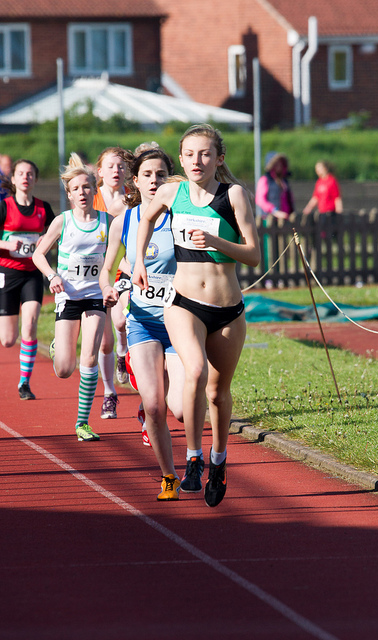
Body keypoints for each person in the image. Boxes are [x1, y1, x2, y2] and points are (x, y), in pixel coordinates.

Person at [132, 124, 260, 508]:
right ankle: (193, 458)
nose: (196, 161)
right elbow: (146, 219)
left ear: (218, 158)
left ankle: (219, 462)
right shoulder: (172, 192)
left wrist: (218, 242)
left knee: (218, 393)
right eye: (189, 154)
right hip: (184, 303)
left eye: (204, 154)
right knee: (196, 371)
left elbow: (254, 255)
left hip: (227, 310)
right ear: (182, 158)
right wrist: (137, 261)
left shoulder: (233, 195)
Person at [99, 145, 185, 501]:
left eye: (161, 174)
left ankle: (200, 456)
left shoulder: (181, 217)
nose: (154, 181)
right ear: (135, 181)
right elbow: (106, 269)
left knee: (180, 409)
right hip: (143, 322)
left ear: (170, 179)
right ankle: (169, 477)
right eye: (147, 175)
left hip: (180, 322)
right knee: (153, 406)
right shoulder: (125, 221)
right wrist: (109, 289)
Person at [32, 153, 112, 441]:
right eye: (76, 189)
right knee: (65, 369)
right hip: (67, 296)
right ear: (69, 194)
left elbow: (120, 256)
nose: (82, 192)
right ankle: (58, 346)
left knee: (89, 357)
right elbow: (38, 254)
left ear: (94, 189)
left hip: (95, 297)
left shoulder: (107, 222)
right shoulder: (63, 221)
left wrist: (123, 278)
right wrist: (52, 276)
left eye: (86, 187)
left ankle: (82, 423)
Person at [0, 159, 55, 399]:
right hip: (7, 273)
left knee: (30, 323)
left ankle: (24, 383)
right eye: (21, 173)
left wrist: (46, 239)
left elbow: (58, 232)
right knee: (7, 340)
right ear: (13, 179)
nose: (25, 177)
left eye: (30, 174)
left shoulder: (44, 208)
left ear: (35, 179)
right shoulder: (4, 207)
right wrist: (6, 244)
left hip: (32, 273)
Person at [93, 147, 132, 418]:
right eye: (110, 166)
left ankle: (123, 351)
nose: (116, 171)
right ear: (100, 171)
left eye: (120, 166)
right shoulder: (90, 197)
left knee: (120, 322)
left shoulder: (133, 198)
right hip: (96, 274)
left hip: (122, 269)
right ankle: (109, 394)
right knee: (103, 342)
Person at [255, 151, 295, 219]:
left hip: (285, 219)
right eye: (276, 164)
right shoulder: (265, 180)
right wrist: (274, 211)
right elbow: (260, 200)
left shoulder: (284, 181)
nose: (279, 166)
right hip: (269, 218)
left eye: (280, 164)